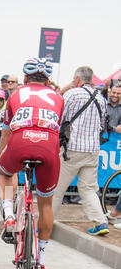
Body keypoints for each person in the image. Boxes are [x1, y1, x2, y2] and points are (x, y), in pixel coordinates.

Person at [0, 57, 64, 269]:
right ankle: (42, 258)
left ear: (25, 78)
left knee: (5, 172)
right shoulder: (58, 97)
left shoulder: (16, 94)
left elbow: (6, 131)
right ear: (47, 79)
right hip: (48, 144)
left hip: (20, 141)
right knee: (45, 204)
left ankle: (8, 215)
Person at [52, 66, 109, 236]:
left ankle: (47, 222)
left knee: (57, 188)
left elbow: (60, 118)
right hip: (92, 149)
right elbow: (103, 123)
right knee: (89, 188)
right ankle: (100, 222)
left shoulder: (72, 94)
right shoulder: (100, 98)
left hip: (72, 149)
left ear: (77, 79)